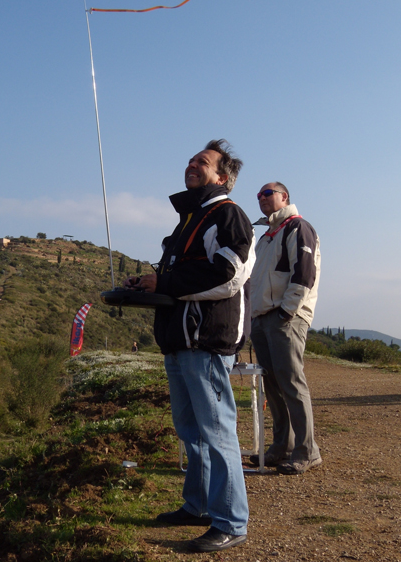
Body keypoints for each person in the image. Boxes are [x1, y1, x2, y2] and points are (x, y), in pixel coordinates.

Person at [125, 140, 255, 553]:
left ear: (223, 177)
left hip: (206, 342)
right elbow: (180, 277)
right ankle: (197, 505)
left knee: (217, 433)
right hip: (178, 343)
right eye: (190, 160)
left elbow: (228, 275)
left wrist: (165, 282)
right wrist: (147, 284)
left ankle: (231, 522)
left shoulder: (228, 215)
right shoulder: (188, 221)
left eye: (203, 161)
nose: (191, 165)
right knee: (191, 432)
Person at [249, 182, 322, 475]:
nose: (261, 198)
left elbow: (304, 273)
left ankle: (307, 451)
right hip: (262, 318)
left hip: (285, 318)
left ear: (284, 197)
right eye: (258, 195)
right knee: (273, 386)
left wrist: (286, 311)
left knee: (291, 383)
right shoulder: (266, 236)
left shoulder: (298, 227)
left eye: (268, 193)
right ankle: (283, 446)